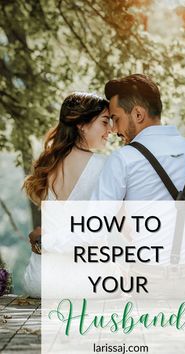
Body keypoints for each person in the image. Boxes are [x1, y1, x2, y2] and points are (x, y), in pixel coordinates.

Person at [91, 73, 185, 299]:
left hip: (147, 284)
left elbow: (95, 224)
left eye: (116, 118)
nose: (114, 129)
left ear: (138, 114)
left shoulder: (122, 160)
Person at [23, 92, 112, 298]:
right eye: (105, 122)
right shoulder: (105, 166)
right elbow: (96, 234)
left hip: (40, 282)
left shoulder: (48, 164)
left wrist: (43, 240)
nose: (111, 129)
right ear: (81, 124)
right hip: (86, 284)